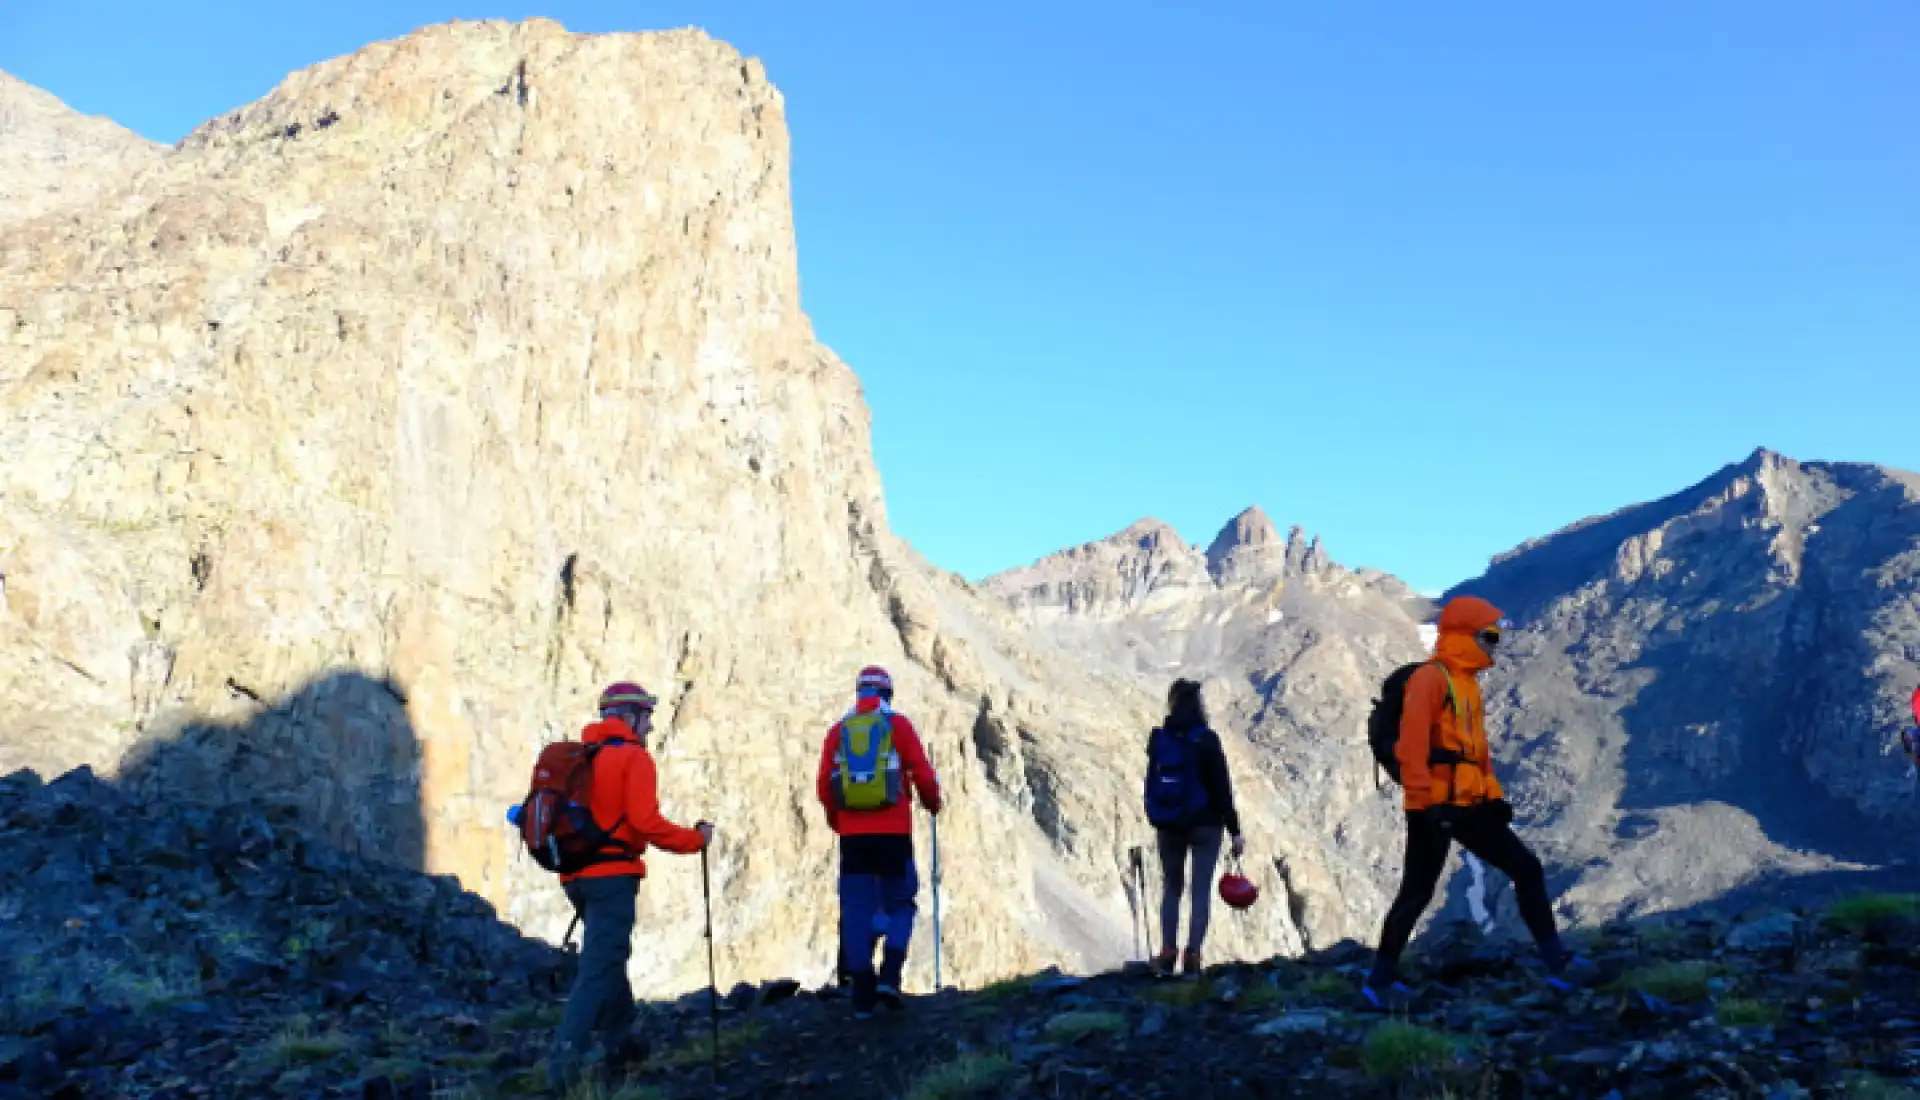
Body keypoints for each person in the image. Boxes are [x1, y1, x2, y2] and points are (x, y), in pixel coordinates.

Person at [1364, 597, 1583, 1008]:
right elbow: (1411, 750)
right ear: (1466, 634)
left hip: (1469, 804)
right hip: (1434, 807)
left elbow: (1478, 755)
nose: (1496, 643)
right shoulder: (1431, 679)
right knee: (1418, 891)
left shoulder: (1466, 684)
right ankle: (1378, 981)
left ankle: (1558, 961)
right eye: (1491, 635)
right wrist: (1427, 805)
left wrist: (1493, 798)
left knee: (1525, 868)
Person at [550, 682, 713, 1091]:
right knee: (598, 969)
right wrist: (695, 840)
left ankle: (622, 1043)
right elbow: (646, 823)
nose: (650, 726)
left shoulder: (581, 756)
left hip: (575, 877)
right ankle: (562, 1071)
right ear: (627, 716)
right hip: (611, 877)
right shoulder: (632, 757)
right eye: (646, 717)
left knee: (609, 954)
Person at [816, 665, 943, 1016]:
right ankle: (890, 976)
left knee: (856, 909)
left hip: (853, 838)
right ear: (888, 694)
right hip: (894, 833)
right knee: (900, 902)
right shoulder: (898, 726)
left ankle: (861, 995)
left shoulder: (838, 731)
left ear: (859, 693)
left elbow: (825, 785)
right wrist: (932, 803)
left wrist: (839, 822)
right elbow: (922, 772)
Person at [1142, 678, 1244, 978]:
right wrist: (1235, 830)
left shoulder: (1160, 739)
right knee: (1200, 891)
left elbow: (1152, 782)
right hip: (1205, 825)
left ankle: (1167, 953)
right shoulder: (1206, 740)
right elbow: (1221, 788)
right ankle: (1193, 957)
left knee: (1172, 887)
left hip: (1169, 823)